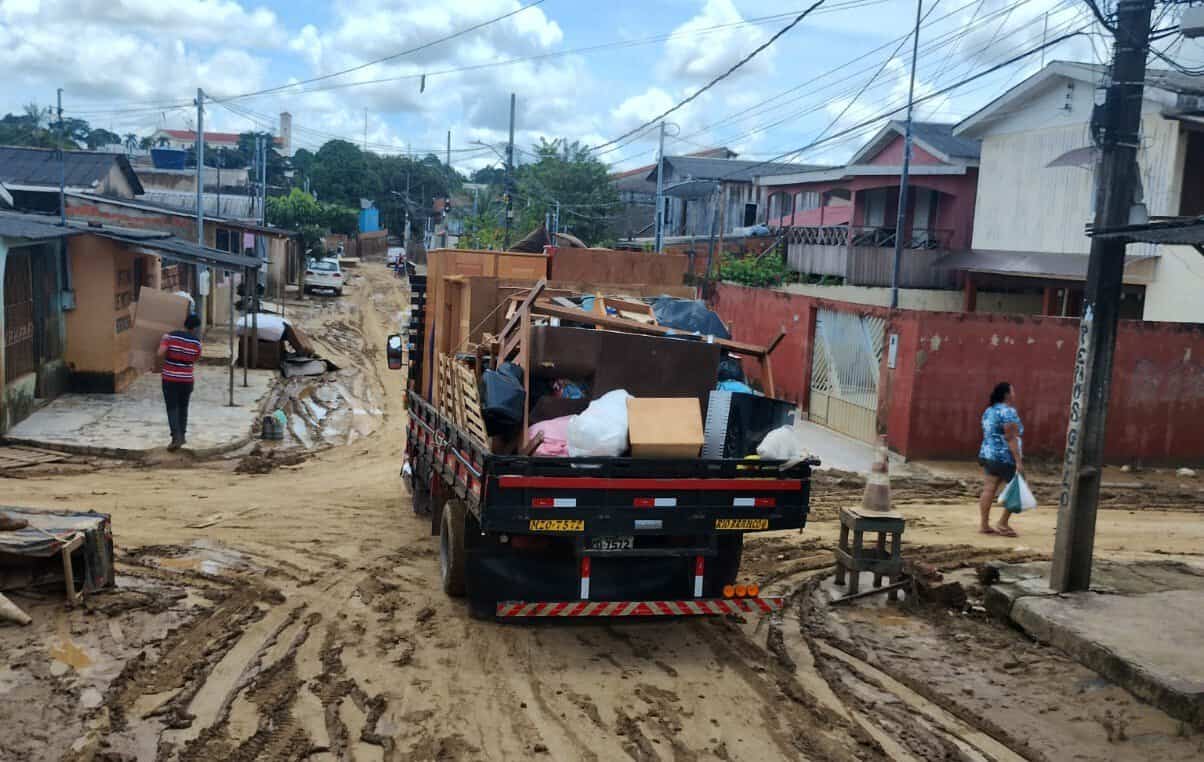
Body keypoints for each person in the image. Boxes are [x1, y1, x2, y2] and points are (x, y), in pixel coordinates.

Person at [978, 381, 1024, 537]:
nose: (1014, 394)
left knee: (989, 489)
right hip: (1005, 456)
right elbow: (1010, 437)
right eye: (1013, 391)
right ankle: (1003, 523)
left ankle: (984, 524)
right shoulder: (1008, 412)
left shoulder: (989, 411)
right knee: (1017, 488)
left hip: (989, 454)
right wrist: (1018, 461)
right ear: (1007, 394)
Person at [158, 313, 202, 451]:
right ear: (196, 328)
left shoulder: (170, 336)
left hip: (170, 378)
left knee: (172, 408)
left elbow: (160, 353)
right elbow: (195, 359)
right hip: (187, 380)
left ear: (185, 324)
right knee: (183, 408)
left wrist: (163, 341)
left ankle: (175, 437)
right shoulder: (197, 343)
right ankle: (182, 436)